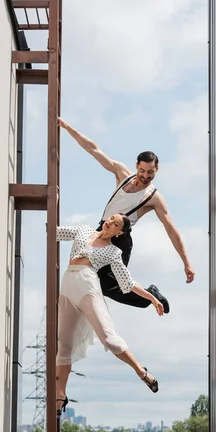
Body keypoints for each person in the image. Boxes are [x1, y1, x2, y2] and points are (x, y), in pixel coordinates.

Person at [57, 117, 195, 314]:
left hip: (120, 239)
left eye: (151, 173)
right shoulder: (122, 173)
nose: (146, 176)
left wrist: (186, 263)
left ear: (157, 169)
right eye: (142, 171)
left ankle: (151, 296)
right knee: (89, 274)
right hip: (102, 229)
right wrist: (67, 127)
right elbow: (93, 149)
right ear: (136, 165)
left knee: (113, 285)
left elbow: (171, 230)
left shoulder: (153, 198)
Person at [55, 213, 163, 413]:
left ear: (119, 232)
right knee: (63, 344)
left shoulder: (113, 252)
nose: (109, 223)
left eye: (115, 224)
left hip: (88, 286)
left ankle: (141, 372)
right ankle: (60, 394)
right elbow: (54, 233)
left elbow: (127, 283)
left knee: (109, 339)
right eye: (110, 219)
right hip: (67, 286)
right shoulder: (83, 230)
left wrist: (152, 298)